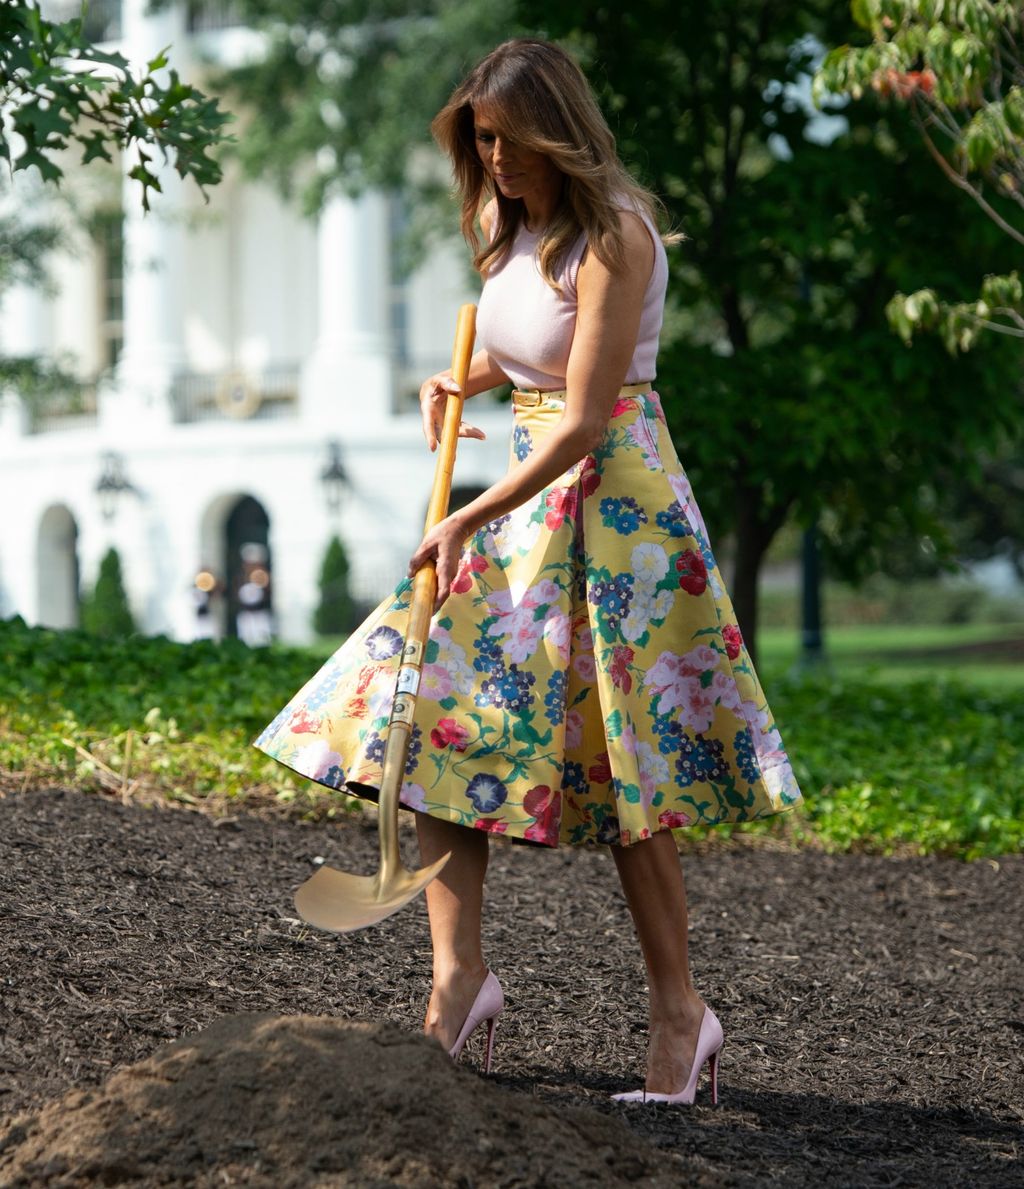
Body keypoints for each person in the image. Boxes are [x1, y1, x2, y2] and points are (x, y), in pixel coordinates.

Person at [255, 38, 801, 1105]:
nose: (493, 157)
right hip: (530, 498)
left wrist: (469, 511)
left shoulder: (616, 235)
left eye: (506, 137)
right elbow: (520, 353)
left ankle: (681, 1017)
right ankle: (458, 986)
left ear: (556, 129)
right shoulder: (510, 231)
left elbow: (587, 413)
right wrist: (450, 375)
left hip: (613, 510)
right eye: (481, 140)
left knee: (625, 777)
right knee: (437, 731)